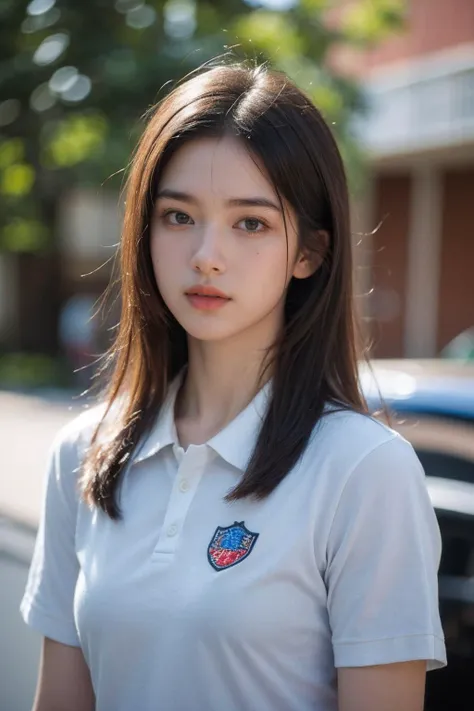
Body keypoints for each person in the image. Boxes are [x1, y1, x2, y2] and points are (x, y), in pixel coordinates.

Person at [20, 63, 446, 711]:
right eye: (178, 216)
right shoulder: (82, 454)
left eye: (250, 223)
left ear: (310, 252)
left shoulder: (364, 470)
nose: (206, 255)